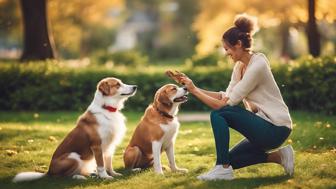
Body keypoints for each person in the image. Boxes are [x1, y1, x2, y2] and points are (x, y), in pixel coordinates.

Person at [177, 14, 294, 181]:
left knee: (218, 114)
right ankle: (279, 157)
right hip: (264, 125)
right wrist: (192, 87)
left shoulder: (258, 65)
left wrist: (195, 91)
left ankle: (222, 169)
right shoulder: (240, 66)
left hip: (276, 128)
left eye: (227, 49)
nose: (226, 53)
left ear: (238, 44)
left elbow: (223, 106)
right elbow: (224, 96)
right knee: (229, 159)